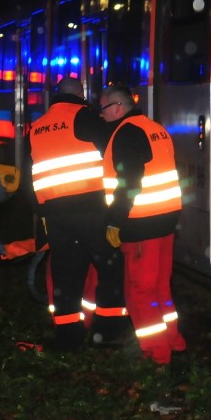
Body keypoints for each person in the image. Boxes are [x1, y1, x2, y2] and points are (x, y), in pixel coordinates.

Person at [27, 76, 130, 351]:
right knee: (110, 270)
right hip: (92, 212)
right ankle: (106, 333)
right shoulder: (86, 119)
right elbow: (114, 153)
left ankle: (68, 339)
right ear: (81, 94)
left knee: (65, 278)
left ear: (55, 96)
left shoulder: (36, 127)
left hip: (57, 217)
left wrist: (42, 214)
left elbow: (32, 177)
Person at [99, 84, 186, 366]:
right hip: (166, 219)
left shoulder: (126, 133)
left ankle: (156, 354)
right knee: (161, 288)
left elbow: (130, 181)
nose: (100, 116)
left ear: (117, 108)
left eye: (103, 109)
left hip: (141, 223)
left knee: (140, 292)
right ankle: (174, 342)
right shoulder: (154, 128)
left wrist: (114, 220)